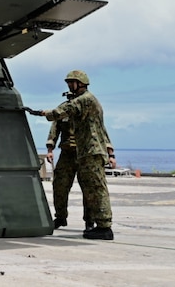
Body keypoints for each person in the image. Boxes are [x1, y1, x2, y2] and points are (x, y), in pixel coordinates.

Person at [33, 70, 115, 240]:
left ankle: (103, 225)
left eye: (72, 83)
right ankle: (71, 218)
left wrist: (41, 113)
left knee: (95, 189)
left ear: (81, 84)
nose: (70, 86)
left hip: (90, 151)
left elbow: (59, 112)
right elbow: (56, 126)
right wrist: (50, 147)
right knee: (85, 187)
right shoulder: (86, 102)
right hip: (80, 152)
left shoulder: (84, 101)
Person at [46, 92, 116, 230]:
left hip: (85, 152)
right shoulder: (63, 110)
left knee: (89, 187)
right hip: (67, 153)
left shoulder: (89, 109)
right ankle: (60, 217)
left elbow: (101, 131)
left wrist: (111, 154)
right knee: (60, 185)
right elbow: (54, 130)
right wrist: (50, 149)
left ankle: (90, 221)